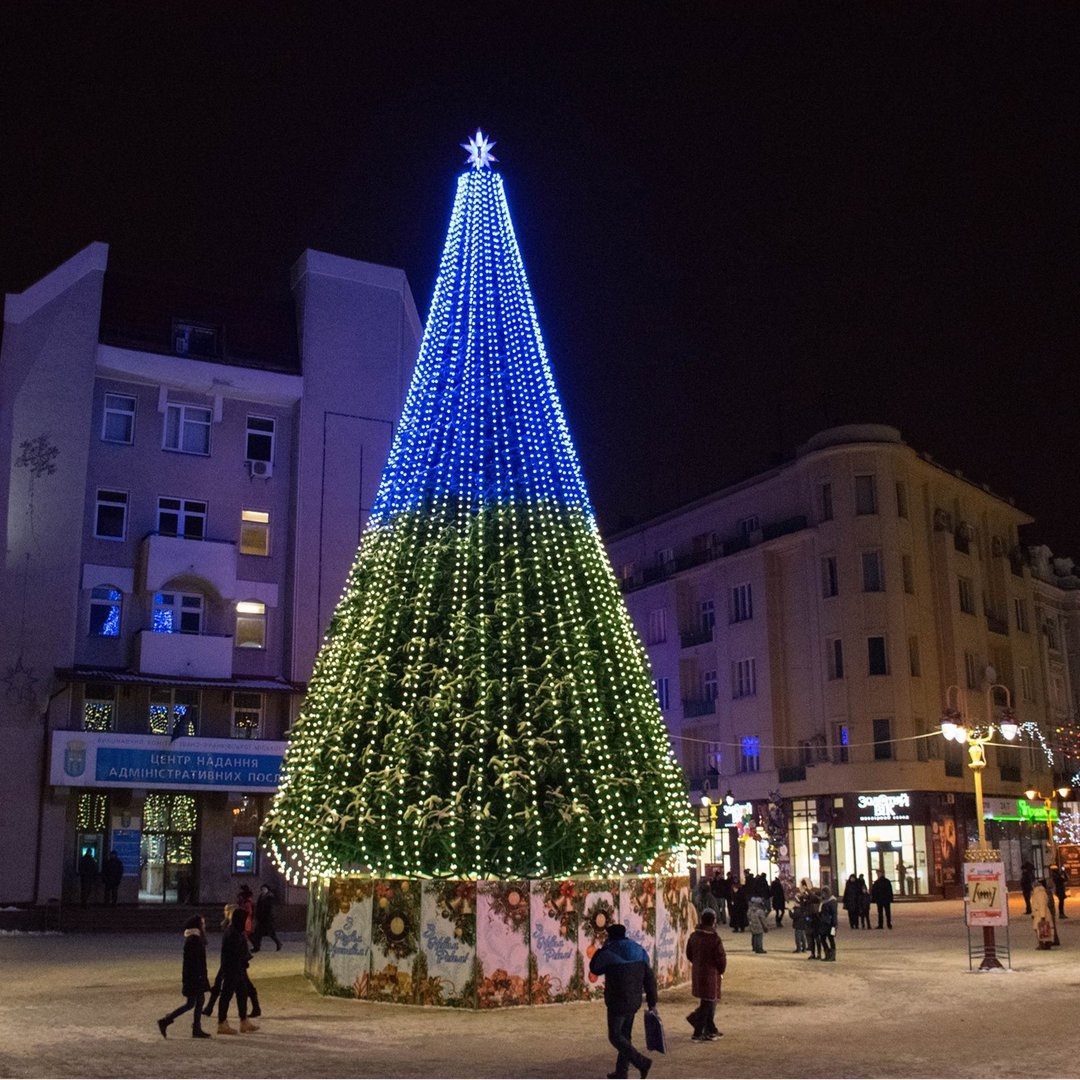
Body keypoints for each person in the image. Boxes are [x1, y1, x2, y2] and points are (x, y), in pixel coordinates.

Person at [588, 923, 655, 1079]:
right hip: (634, 1000)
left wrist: (602, 949)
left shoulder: (609, 951)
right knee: (625, 1035)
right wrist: (652, 1001)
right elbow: (649, 978)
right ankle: (621, 1072)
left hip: (617, 1000)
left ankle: (641, 1062)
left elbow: (595, 968)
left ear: (610, 936)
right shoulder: (639, 950)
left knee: (615, 1036)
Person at [157, 915, 212, 1039]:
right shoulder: (194, 940)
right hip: (194, 977)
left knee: (196, 1002)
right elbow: (194, 962)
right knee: (191, 1003)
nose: (204, 925)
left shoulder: (195, 939)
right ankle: (167, 1021)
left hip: (194, 976)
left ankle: (195, 1027)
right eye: (202, 923)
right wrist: (199, 977)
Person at [685, 908, 727, 1041]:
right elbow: (721, 958)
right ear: (713, 921)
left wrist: (697, 963)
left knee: (708, 1001)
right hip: (710, 974)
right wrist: (721, 969)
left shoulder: (694, 936)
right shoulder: (714, 939)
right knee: (708, 1002)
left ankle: (710, 1029)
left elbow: (689, 954)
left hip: (698, 972)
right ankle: (697, 1031)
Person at [216, 907, 259, 1034]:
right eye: (246, 919)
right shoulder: (232, 933)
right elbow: (234, 953)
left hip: (239, 969)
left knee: (242, 994)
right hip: (232, 969)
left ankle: (243, 1021)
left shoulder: (238, 932)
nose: (247, 921)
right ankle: (221, 1023)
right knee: (226, 995)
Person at [252, 883, 282, 952]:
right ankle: (257, 947)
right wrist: (257, 915)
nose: (263, 890)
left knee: (270, 933)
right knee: (258, 933)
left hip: (267, 919)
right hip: (261, 918)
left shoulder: (270, 897)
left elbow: (269, 909)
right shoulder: (261, 896)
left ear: (267, 889)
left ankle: (278, 943)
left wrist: (267, 917)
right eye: (262, 889)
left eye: (264, 889)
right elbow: (258, 907)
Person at [1031, 878, 1055, 949]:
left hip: (1040, 914)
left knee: (1039, 929)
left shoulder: (1039, 893)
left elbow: (1042, 905)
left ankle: (1043, 944)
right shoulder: (1040, 892)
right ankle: (1046, 944)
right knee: (1044, 929)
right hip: (1040, 913)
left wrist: (1042, 916)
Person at [817, 886, 838, 961]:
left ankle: (832, 955)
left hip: (830, 924)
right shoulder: (823, 901)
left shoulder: (832, 901)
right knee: (822, 938)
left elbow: (834, 914)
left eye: (824, 893)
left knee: (831, 939)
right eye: (822, 893)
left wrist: (834, 925)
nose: (823, 894)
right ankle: (827, 953)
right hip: (823, 923)